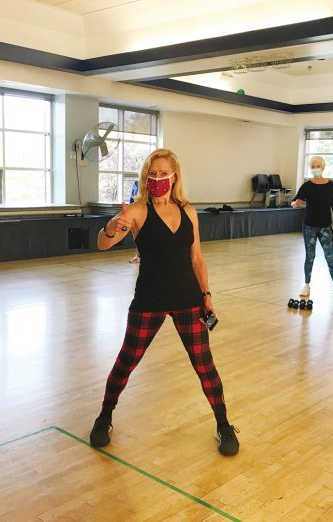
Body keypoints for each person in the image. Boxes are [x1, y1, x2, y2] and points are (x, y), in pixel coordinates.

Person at [89, 148, 240, 457]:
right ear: (146, 177)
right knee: (126, 361)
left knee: (204, 366)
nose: (158, 179)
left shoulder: (189, 211)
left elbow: (197, 258)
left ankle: (223, 424)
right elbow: (102, 244)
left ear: (175, 176)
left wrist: (207, 295)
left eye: (163, 173)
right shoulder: (136, 211)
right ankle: (105, 416)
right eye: (152, 174)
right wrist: (110, 228)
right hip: (149, 299)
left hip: (188, 299)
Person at [291, 156, 333, 299]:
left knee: (329, 257)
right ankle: (306, 285)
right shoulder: (307, 186)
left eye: (318, 166)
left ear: (322, 167)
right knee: (310, 256)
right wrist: (295, 204)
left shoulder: (330, 186)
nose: (315, 169)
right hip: (309, 226)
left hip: (325, 227)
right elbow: (295, 201)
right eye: (313, 166)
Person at [128, 179, 140, 264]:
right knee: (137, 235)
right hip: (137, 213)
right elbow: (131, 200)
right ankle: (138, 256)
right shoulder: (137, 183)